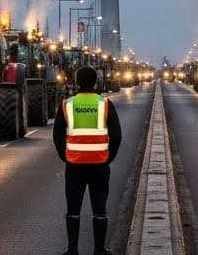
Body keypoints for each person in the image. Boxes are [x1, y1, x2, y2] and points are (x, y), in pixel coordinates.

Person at [53, 65, 122, 255]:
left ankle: (72, 249)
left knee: (73, 209)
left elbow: (58, 135)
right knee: (99, 209)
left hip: (74, 166)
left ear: (76, 82)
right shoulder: (105, 104)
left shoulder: (67, 105)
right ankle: (99, 250)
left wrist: (65, 156)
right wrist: (109, 158)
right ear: (96, 82)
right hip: (99, 165)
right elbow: (116, 136)